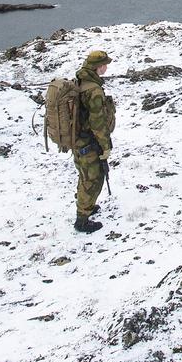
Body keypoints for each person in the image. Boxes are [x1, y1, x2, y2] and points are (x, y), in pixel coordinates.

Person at [72, 49, 115, 234]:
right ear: (99, 66)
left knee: (85, 175)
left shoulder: (81, 81)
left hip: (79, 140)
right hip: (89, 142)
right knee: (91, 179)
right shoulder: (94, 90)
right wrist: (105, 146)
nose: (107, 67)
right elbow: (98, 122)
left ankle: (87, 206)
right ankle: (82, 220)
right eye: (105, 64)